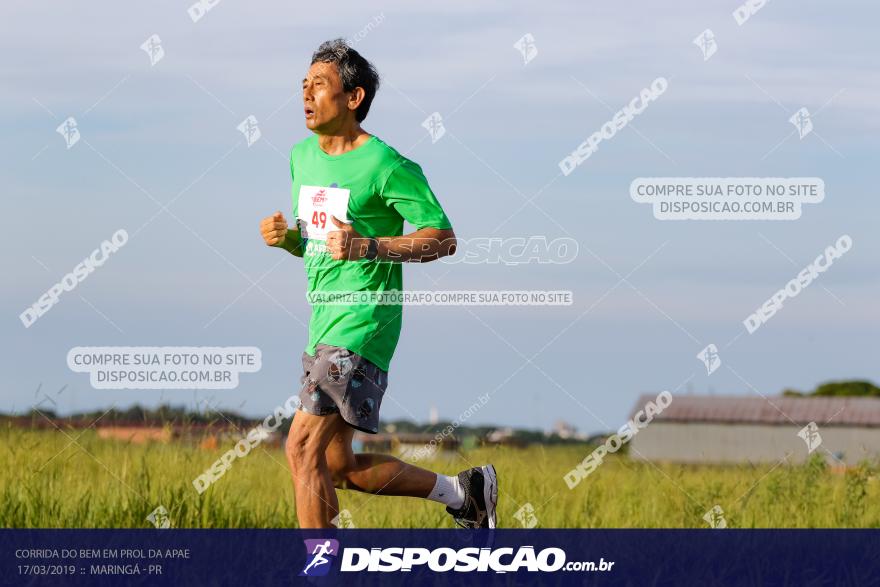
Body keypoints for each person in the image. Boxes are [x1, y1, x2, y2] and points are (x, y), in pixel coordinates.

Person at [259, 39, 497, 529]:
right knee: (338, 466)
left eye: (319, 85)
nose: (306, 94)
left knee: (301, 447)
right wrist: (291, 240)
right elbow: (326, 242)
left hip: (364, 320)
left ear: (354, 98)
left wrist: (370, 246)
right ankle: (464, 493)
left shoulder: (387, 164)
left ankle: (321, 569)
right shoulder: (300, 157)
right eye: (303, 85)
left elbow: (443, 238)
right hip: (324, 320)